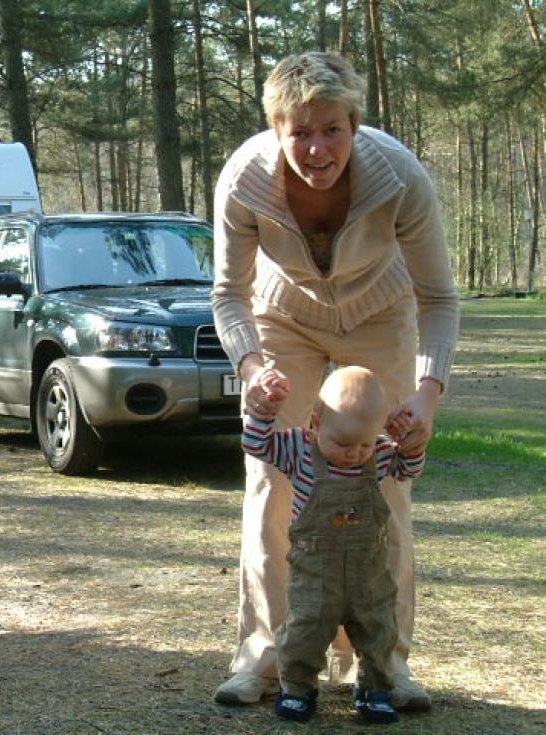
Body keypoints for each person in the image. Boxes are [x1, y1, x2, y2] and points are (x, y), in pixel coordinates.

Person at [210, 51, 459, 711]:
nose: (317, 148)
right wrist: (252, 367)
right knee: (272, 480)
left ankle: (380, 664)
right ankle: (265, 656)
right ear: (276, 129)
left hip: (380, 312)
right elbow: (228, 294)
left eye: (332, 130)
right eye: (300, 132)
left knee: (384, 479)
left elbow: (439, 297)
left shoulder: (400, 176)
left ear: (355, 125)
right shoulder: (243, 180)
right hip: (281, 316)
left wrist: (426, 394)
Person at [242, 365, 423, 723]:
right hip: (314, 572)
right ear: (316, 423)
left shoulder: (380, 453)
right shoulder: (299, 449)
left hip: (367, 575)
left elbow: (408, 469)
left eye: (364, 444)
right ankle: (298, 688)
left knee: (379, 631)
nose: (354, 453)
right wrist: (262, 414)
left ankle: (374, 690)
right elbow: (256, 444)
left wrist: (409, 441)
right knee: (304, 631)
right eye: (342, 443)